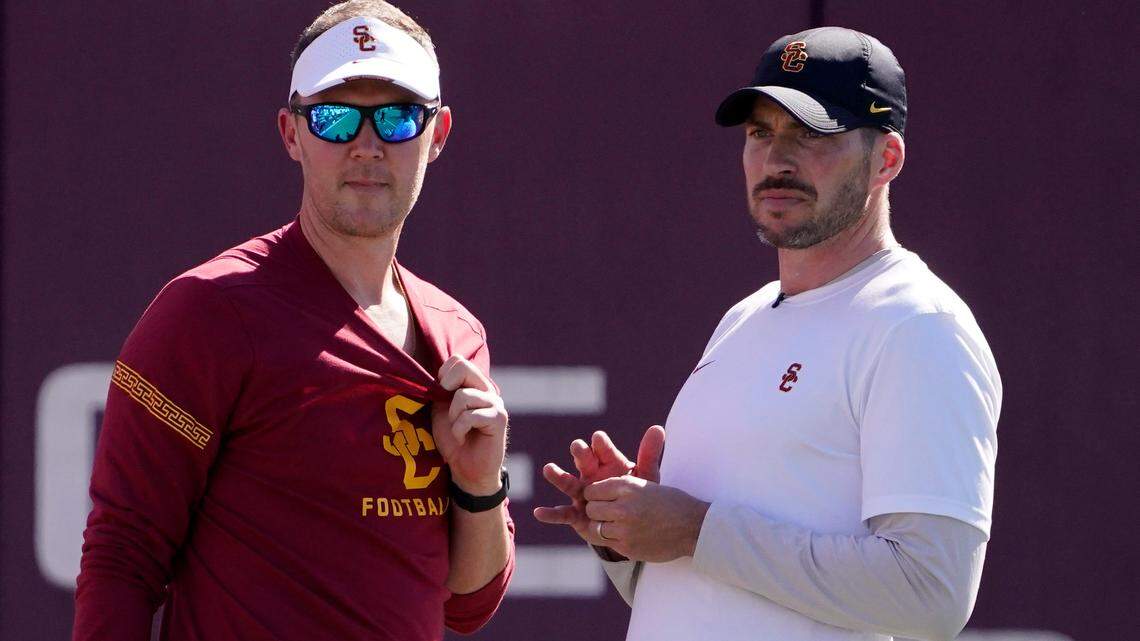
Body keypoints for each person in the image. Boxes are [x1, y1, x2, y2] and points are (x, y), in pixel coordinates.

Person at [535, 27, 1000, 641]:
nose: (777, 160)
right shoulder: (744, 320)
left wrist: (695, 529)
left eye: (811, 135)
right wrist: (630, 534)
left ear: (886, 159)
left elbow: (931, 593)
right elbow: (715, 590)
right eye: (761, 133)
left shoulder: (917, 325)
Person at [73, 2, 514, 639]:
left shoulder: (457, 335)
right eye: (334, 118)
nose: (367, 145)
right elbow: (121, 555)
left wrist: (478, 488)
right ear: (291, 133)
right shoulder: (208, 313)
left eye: (396, 117)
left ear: (438, 133)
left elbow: (467, 606)